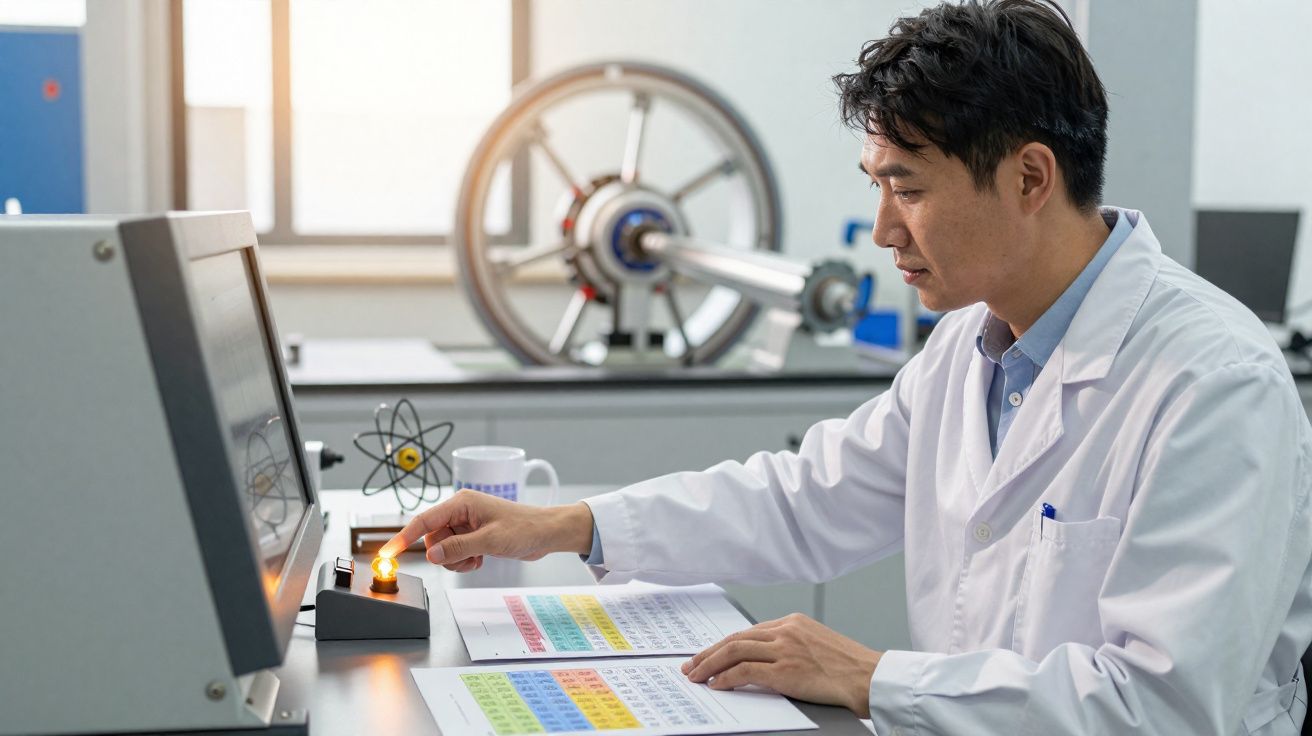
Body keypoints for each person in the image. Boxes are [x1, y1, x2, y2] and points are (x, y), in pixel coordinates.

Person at [383, 1, 1312, 732]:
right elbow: (805, 499)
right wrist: (568, 526)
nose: (881, 231)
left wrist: (873, 678)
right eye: (877, 186)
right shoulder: (972, 346)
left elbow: (1169, 709)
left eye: (907, 187)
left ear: (1031, 179)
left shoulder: (1212, 384)